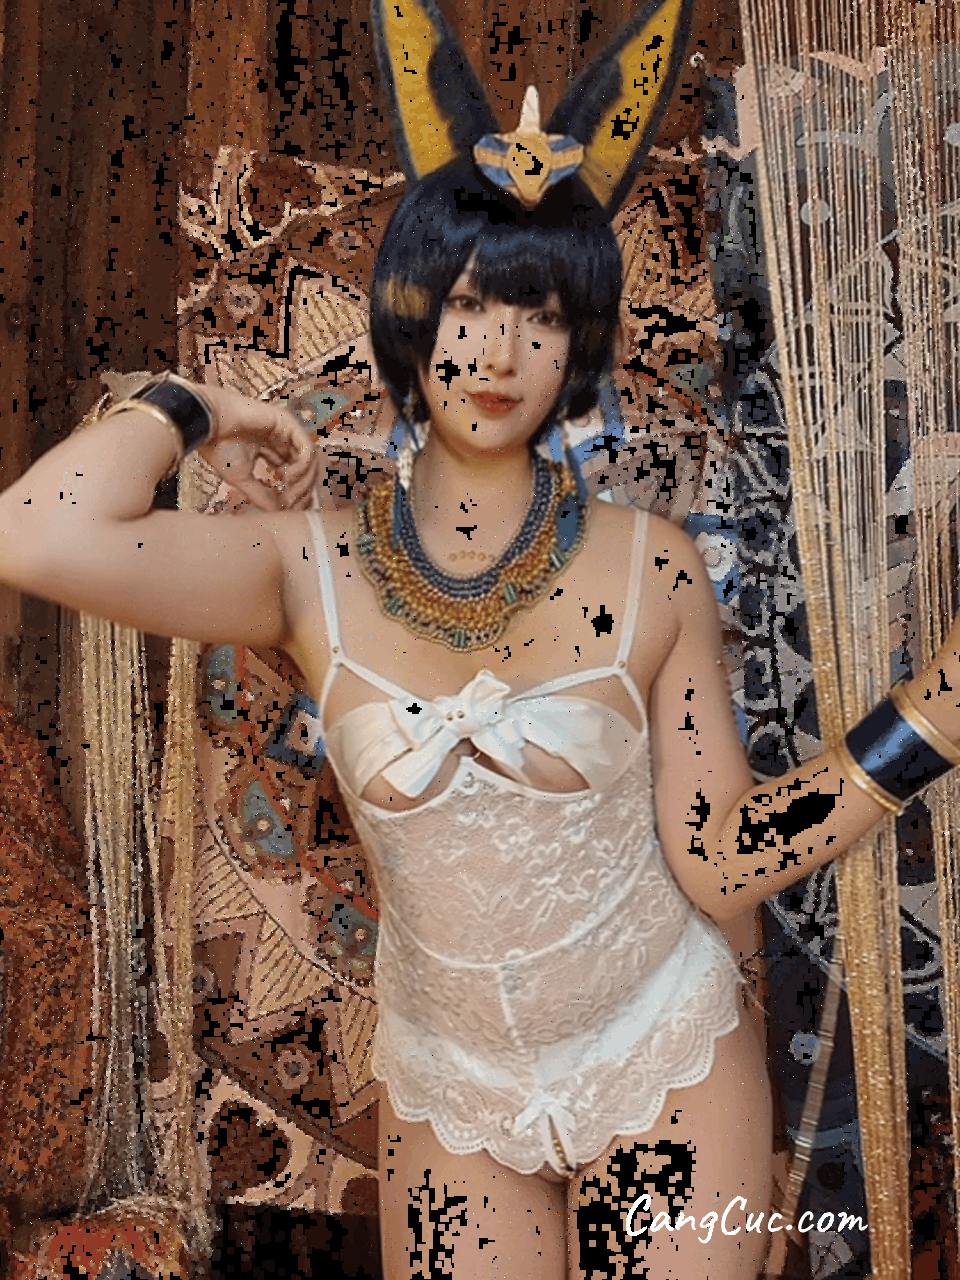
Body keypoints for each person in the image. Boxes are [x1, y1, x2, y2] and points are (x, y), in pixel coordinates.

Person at [4, 7, 960, 1280]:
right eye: (467, 305)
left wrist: (932, 712)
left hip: (664, 1055)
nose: (499, 350)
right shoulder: (307, 569)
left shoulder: (650, 563)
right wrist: (196, 403)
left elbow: (725, 859)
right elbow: (34, 533)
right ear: (412, 317)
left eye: (540, 316)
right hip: (453, 1087)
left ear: (578, 348)